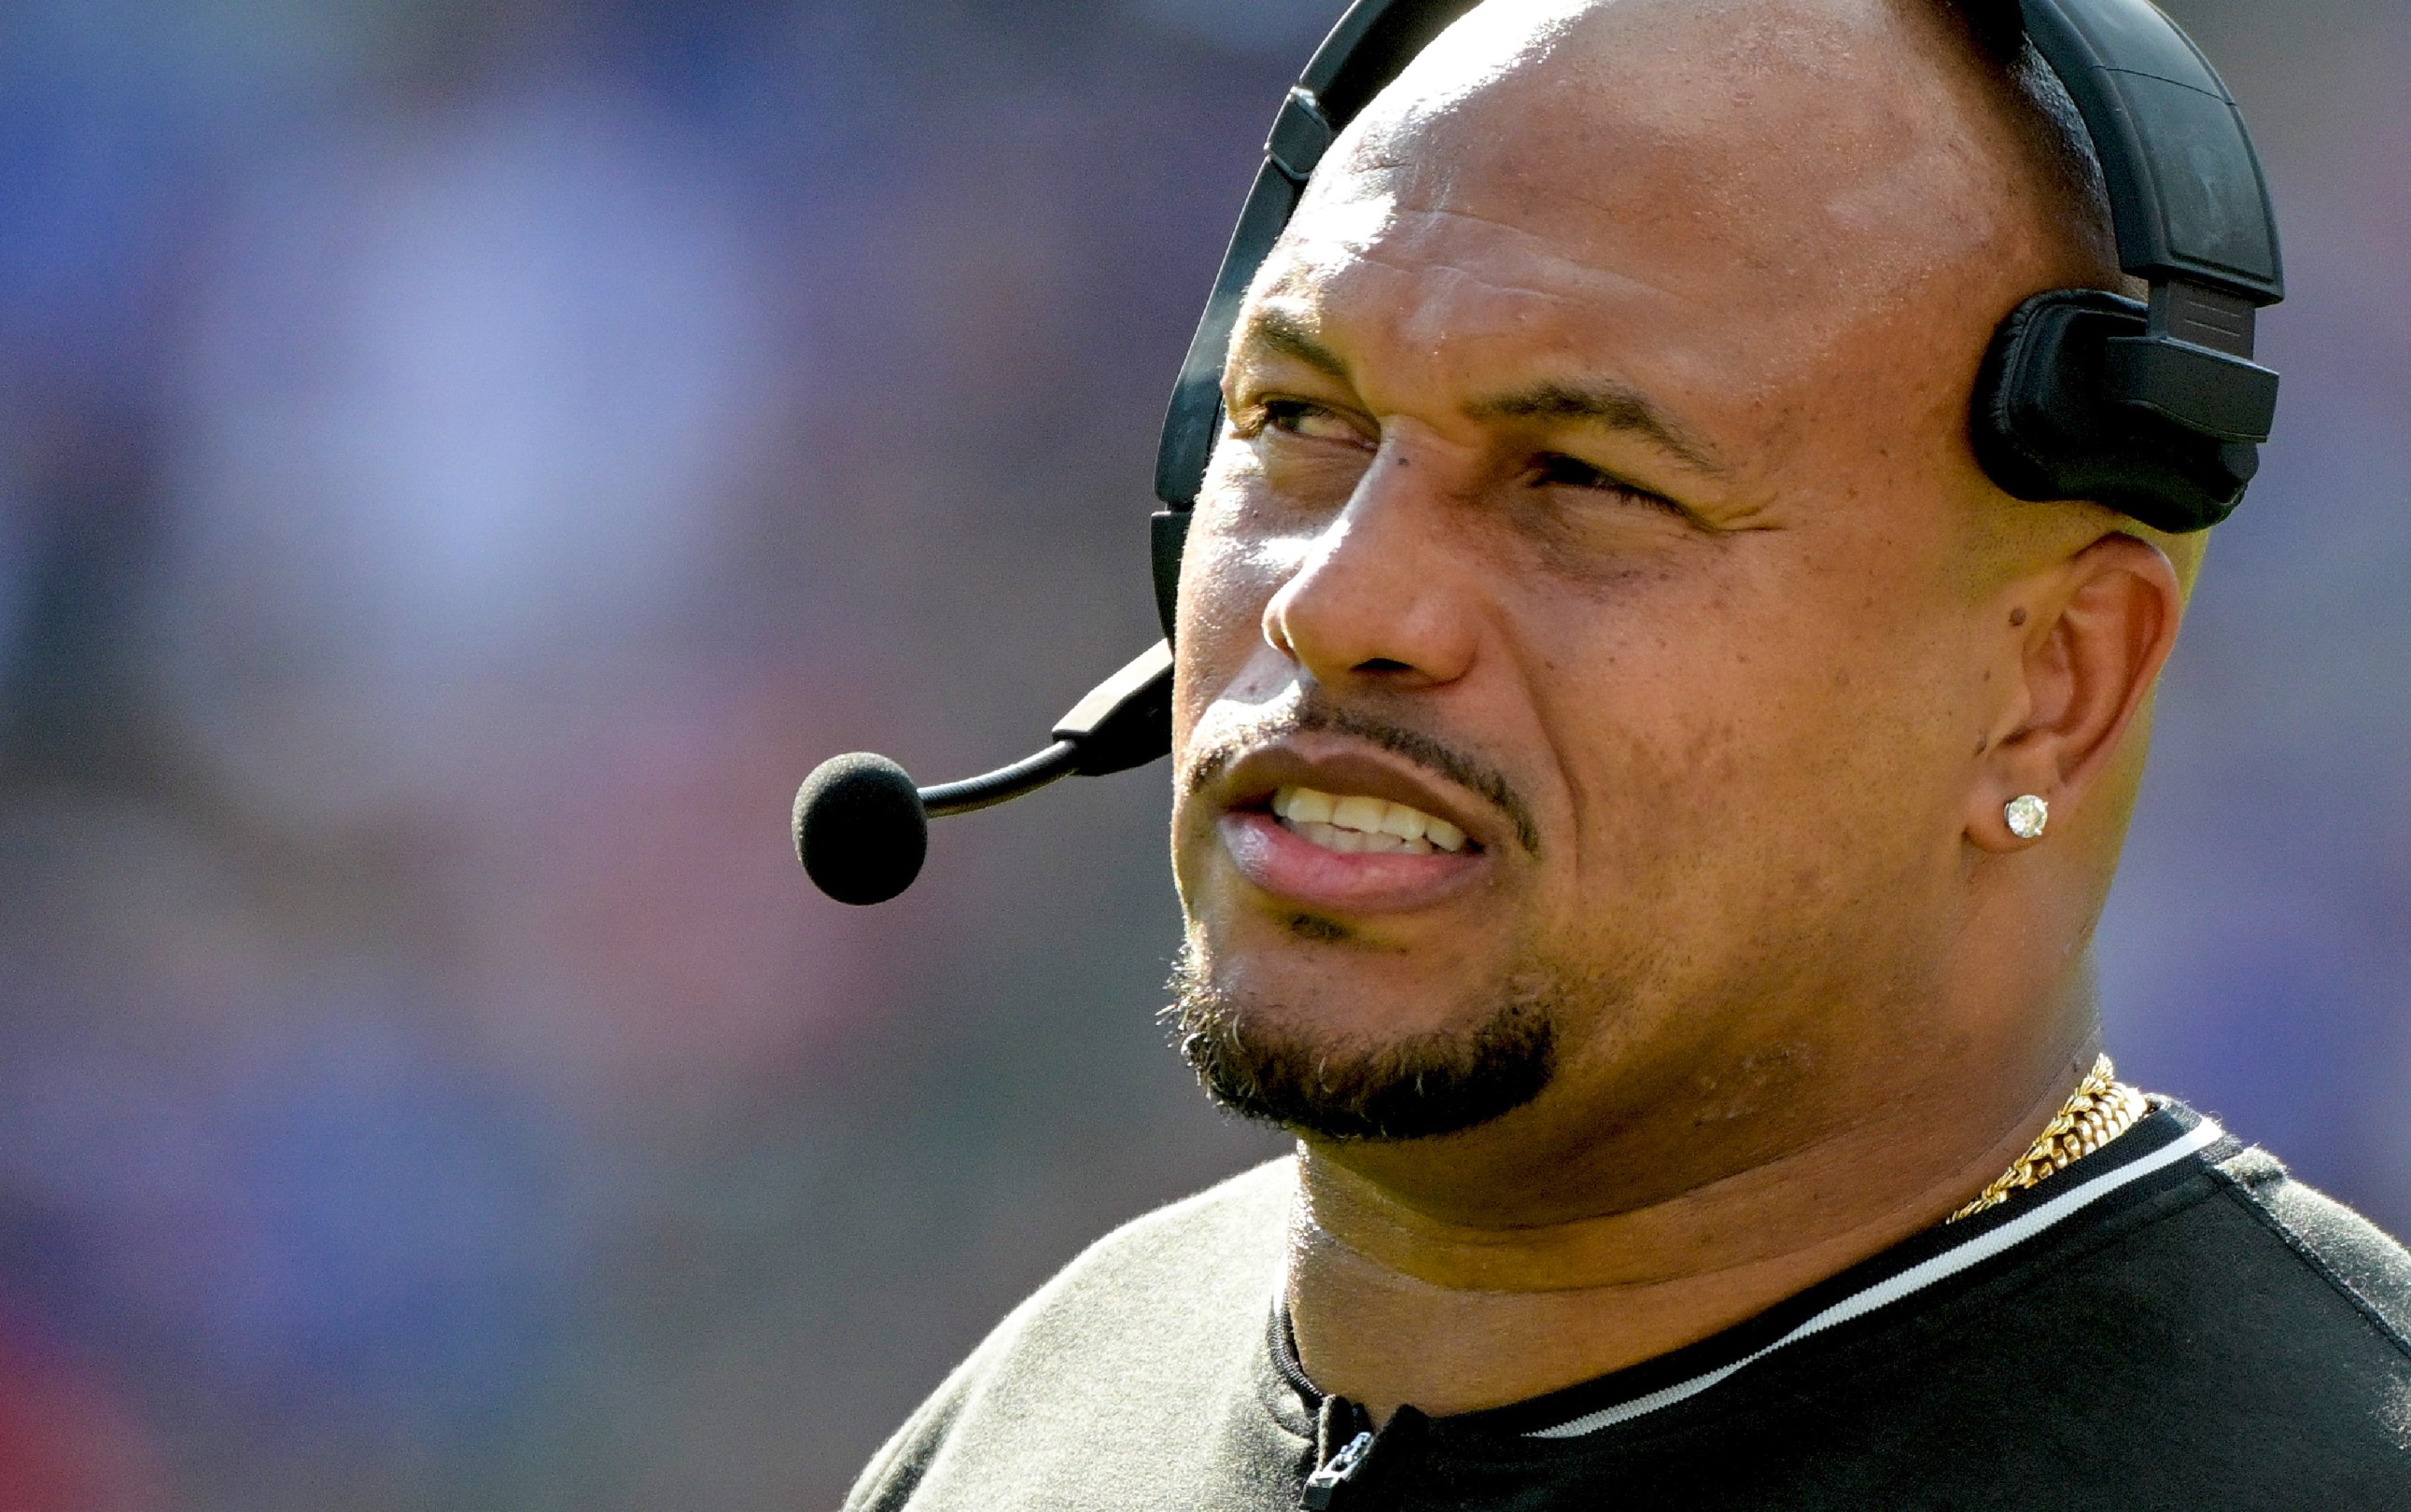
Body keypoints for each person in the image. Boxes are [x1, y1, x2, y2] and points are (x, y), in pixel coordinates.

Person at [839, 0, 2411, 1506]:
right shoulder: (1030, 1427)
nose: (1341, 602)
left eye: (1585, 479)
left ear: (2052, 689)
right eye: (1302, 419)